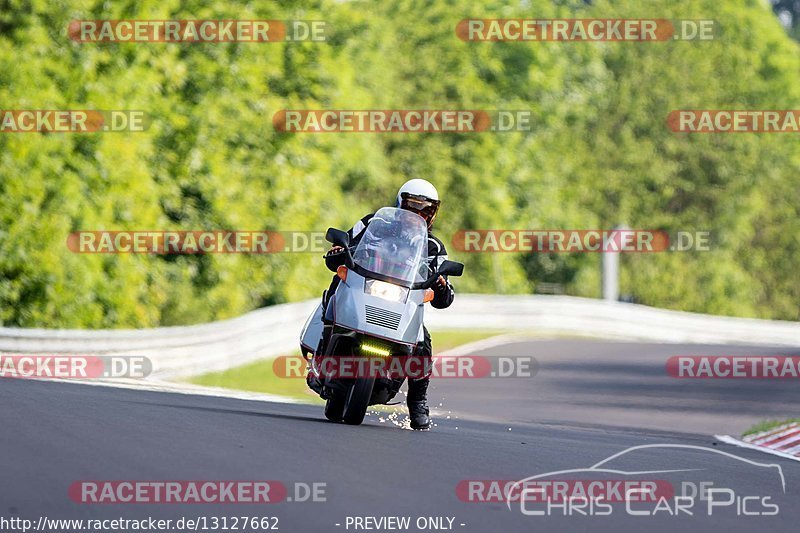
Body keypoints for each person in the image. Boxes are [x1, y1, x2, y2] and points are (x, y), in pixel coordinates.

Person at [323, 179, 455, 429]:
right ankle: (325, 351)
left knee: (422, 341)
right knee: (335, 291)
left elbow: (444, 297)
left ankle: (417, 402)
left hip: (403, 302)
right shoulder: (373, 223)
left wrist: (441, 285)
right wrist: (338, 250)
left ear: (432, 212)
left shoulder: (434, 246)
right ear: (400, 203)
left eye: (424, 209)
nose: (417, 214)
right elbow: (345, 244)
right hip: (362, 287)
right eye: (412, 207)